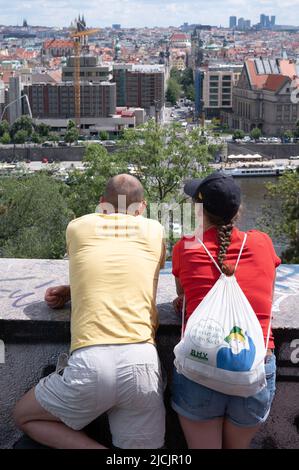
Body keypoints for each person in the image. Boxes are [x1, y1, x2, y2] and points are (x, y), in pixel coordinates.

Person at [14, 174, 166, 449]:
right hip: (142, 360)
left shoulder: (77, 227)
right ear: (142, 207)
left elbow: (96, 265)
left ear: (101, 204)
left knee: (24, 416)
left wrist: (72, 290)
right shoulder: (155, 231)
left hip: (91, 362)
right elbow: (133, 271)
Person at [171, 172, 281, 449]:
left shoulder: (185, 248)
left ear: (198, 210)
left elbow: (181, 295)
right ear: (237, 210)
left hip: (201, 367)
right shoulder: (263, 243)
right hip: (254, 368)